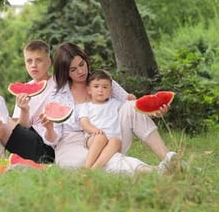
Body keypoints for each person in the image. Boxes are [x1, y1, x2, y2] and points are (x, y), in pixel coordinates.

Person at [42, 42, 177, 173]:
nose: (81, 71)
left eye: (82, 64)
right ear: (65, 72)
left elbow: (132, 107)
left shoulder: (101, 80)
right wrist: (49, 128)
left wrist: (154, 111)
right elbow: (54, 139)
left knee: (130, 106)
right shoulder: (58, 97)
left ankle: (170, 161)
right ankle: (152, 171)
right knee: (100, 161)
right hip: (73, 144)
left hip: (111, 138)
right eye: (73, 69)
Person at [0, 40, 56, 163]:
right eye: (29, 61)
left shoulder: (59, 85)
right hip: (31, 142)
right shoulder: (23, 91)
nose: (33, 65)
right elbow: (22, 128)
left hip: (50, 145)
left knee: (2, 121)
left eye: (38, 60)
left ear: (48, 62)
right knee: (0, 120)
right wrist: (24, 109)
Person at [79, 69, 123, 169]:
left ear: (110, 91)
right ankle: (87, 166)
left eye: (105, 87)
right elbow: (84, 123)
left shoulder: (115, 104)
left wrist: (131, 99)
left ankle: (95, 168)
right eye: (96, 86)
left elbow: (130, 108)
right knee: (101, 137)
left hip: (111, 139)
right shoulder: (86, 106)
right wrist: (95, 130)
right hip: (93, 138)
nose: (100, 90)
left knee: (117, 141)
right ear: (89, 90)